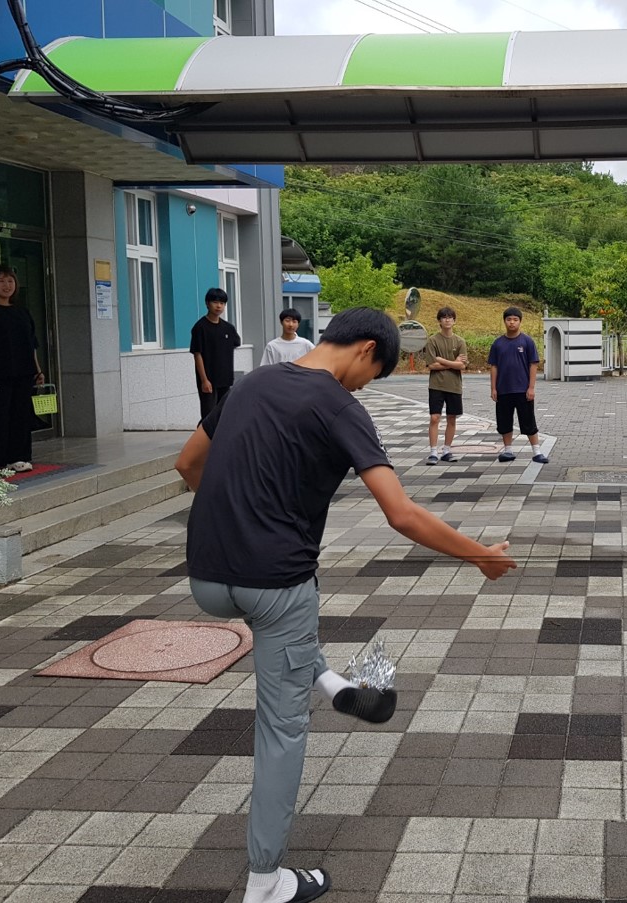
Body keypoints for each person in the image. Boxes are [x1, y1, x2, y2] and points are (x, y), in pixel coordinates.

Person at [175, 308, 515, 903]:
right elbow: (401, 513)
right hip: (274, 582)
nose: (366, 387)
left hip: (205, 577)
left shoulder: (251, 382)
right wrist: (478, 555)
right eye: (374, 375)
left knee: (287, 632)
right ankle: (266, 882)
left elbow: (187, 465)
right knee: (282, 729)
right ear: (363, 349)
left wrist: (240, 512)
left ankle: (333, 684)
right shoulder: (336, 404)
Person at [0, 264, 46, 473]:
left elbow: (31, 343)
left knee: (21, 416)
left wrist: (38, 371)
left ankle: (19, 458)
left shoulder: (22, 312)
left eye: (10, 281)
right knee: (0, 416)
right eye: (0, 281)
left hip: (24, 374)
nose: (6, 285)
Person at [488, 305, 548, 463]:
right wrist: (493, 388)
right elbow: (494, 366)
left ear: (520, 322)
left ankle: (537, 452)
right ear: (504, 321)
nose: (512, 323)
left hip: (523, 390)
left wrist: (531, 387)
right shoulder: (498, 344)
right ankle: (508, 450)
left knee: (528, 420)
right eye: (509, 319)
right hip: (503, 390)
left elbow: (533, 365)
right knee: (504, 421)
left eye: (515, 320)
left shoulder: (527, 341)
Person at [421, 305, 467, 465]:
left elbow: (462, 366)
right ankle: (433, 452)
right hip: (436, 385)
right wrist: (452, 363)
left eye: (450, 317)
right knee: (435, 417)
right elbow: (431, 365)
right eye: (444, 317)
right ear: (439, 321)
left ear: (454, 321)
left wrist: (441, 360)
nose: (447, 320)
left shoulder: (460, 341)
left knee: (452, 418)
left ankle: (447, 450)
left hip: (454, 386)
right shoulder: (433, 340)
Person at [190, 287, 242, 420]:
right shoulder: (200, 327)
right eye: (215, 302)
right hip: (209, 381)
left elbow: (236, 343)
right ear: (207, 303)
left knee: (224, 415)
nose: (219, 306)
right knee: (209, 417)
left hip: (225, 379)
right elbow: (197, 354)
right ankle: (204, 441)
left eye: (222, 303)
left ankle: (220, 441)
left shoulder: (228, 328)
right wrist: (204, 380)